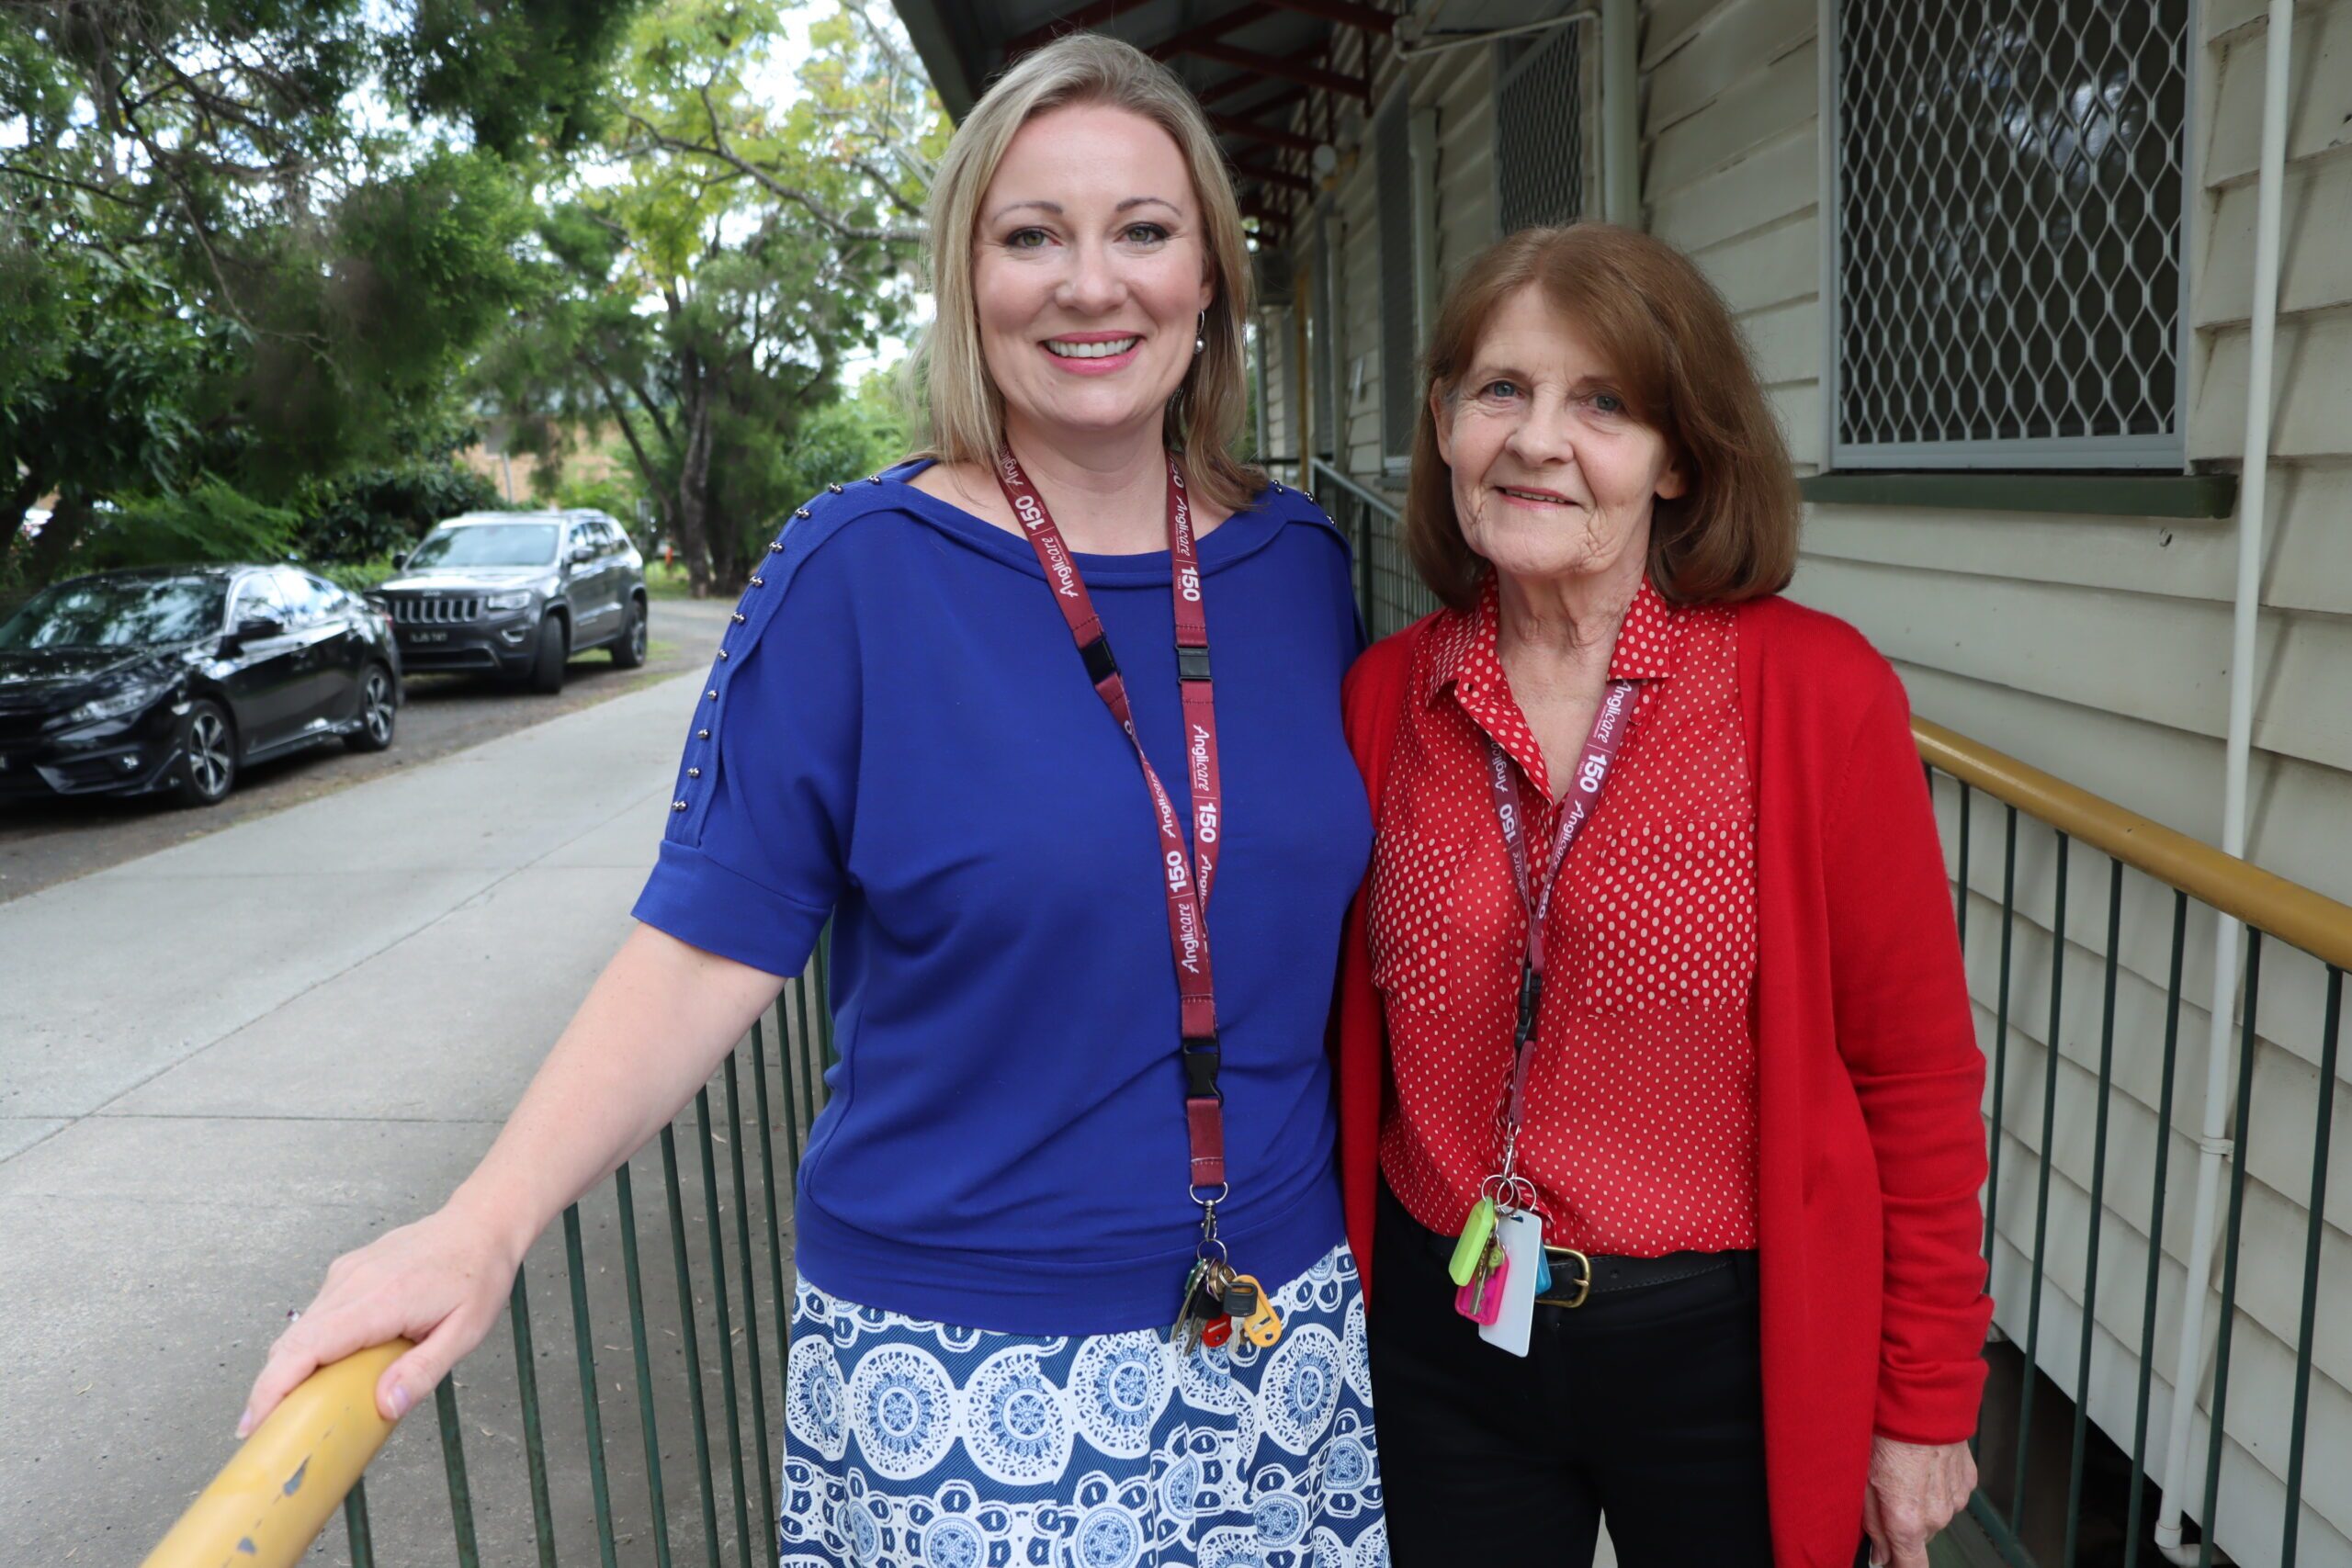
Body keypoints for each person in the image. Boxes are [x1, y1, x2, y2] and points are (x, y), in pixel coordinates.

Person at [241, 33, 1385, 1567]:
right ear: (968, 281)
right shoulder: (857, 573)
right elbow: (708, 940)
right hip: (965, 1377)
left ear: (1211, 280)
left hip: (1278, 1343)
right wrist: (485, 1221)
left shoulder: (1299, 567)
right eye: (1030, 234)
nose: (1089, 282)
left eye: (1144, 230)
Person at [1330, 224, 1991, 1568]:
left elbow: (1914, 1078)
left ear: (1679, 456)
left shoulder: (1811, 693)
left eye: (1604, 404)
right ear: (1445, 423)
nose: (1537, 439)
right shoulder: (1388, 697)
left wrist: (1923, 1404)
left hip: (1724, 1353)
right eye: (1499, 390)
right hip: (1444, 1335)